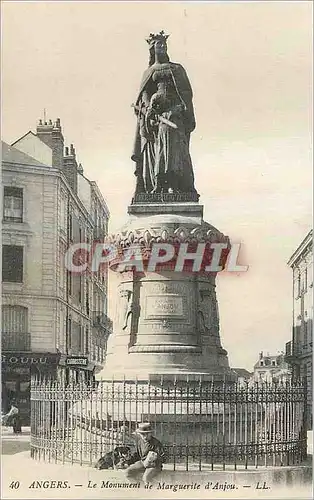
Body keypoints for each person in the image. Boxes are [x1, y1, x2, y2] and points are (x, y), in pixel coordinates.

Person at [132, 31, 198, 197]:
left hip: (175, 114)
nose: (161, 47)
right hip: (157, 118)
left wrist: (179, 108)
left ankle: (176, 185)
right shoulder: (149, 72)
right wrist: (149, 110)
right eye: (157, 45)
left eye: (163, 44)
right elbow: (145, 94)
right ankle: (158, 184)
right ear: (152, 49)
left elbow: (186, 93)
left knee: (175, 150)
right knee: (159, 149)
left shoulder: (176, 68)